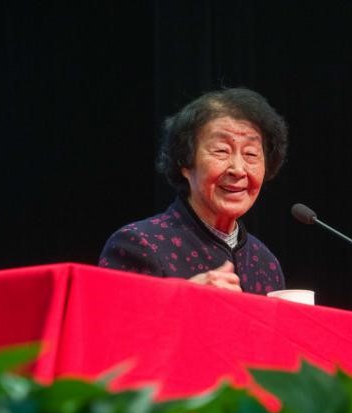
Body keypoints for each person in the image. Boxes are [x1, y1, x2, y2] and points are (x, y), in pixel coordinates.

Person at [98, 88, 288, 294]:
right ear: (185, 163)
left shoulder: (266, 263)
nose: (238, 170)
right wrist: (185, 298)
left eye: (251, 154)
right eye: (221, 151)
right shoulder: (139, 244)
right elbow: (110, 314)